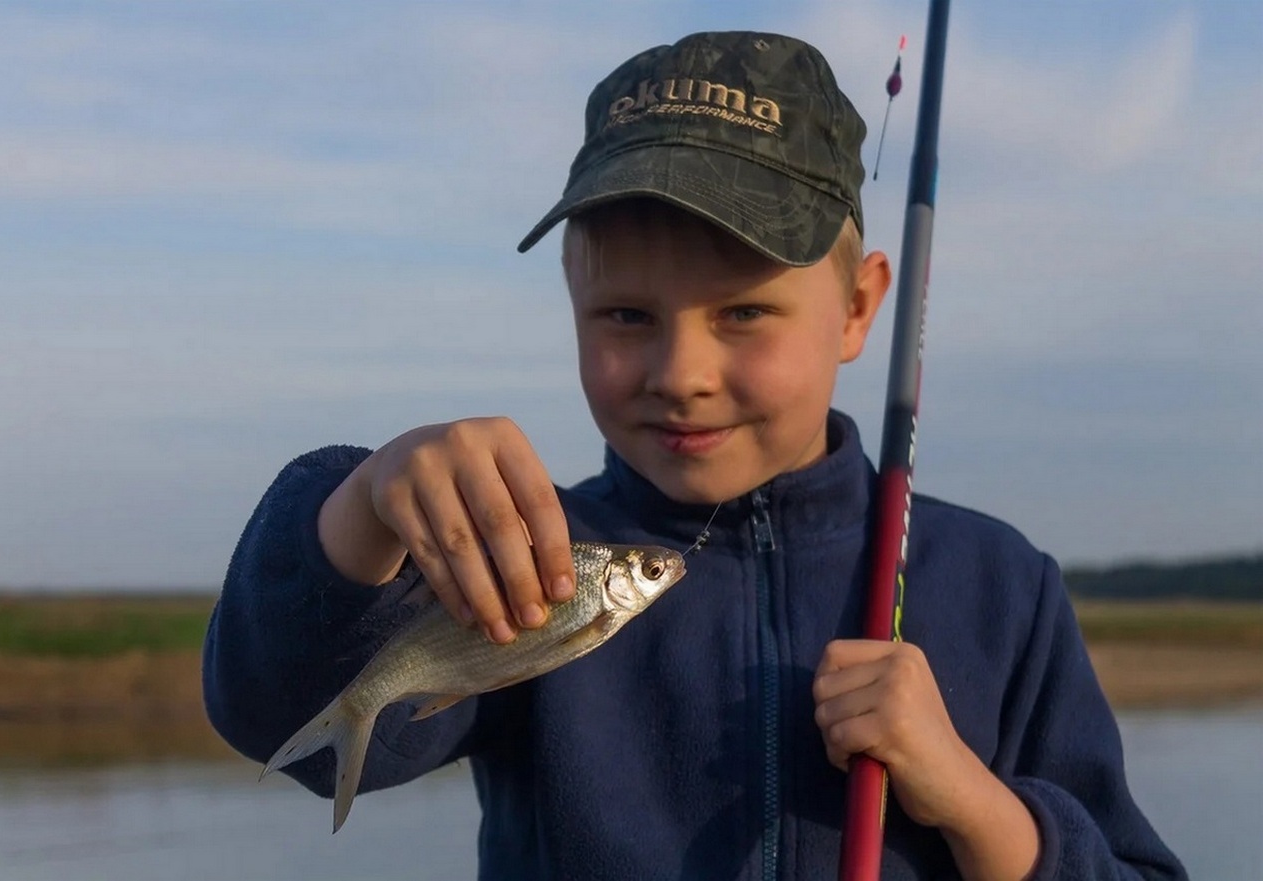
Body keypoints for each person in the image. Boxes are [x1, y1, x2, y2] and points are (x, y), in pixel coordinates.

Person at [203, 31, 1186, 880]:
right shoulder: (522, 562)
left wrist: (973, 801)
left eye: (743, 313)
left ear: (857, 308)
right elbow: (283, 724)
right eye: (626, 316)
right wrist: (360, 506)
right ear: (571, 299)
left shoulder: (999, 586)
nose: (680, 373)